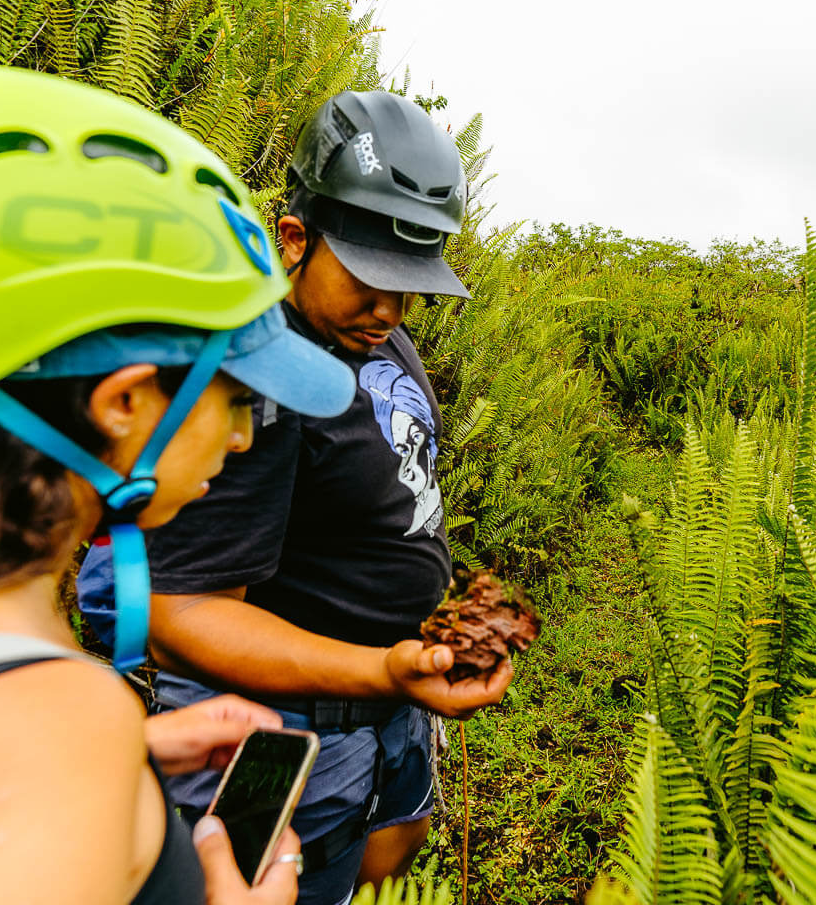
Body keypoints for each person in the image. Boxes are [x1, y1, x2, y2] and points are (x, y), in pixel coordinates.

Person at [0, 63, 362, 904]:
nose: (242, 433)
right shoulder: (46, 729)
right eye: (233, 395)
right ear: (125, 402)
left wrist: (133, 757)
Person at [77, 90, 512, 905]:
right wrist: (382, 670)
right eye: (369, 279)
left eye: (411, 283)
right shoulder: (254, 387)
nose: (391, 309)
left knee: (380, 860)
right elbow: (180, 616)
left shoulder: (375, 334)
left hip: (389, 701)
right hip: (278, 736)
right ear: (294, 241)